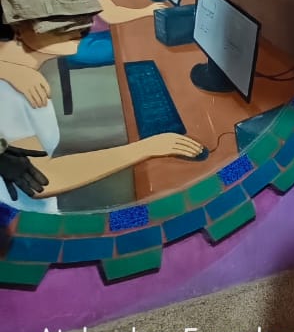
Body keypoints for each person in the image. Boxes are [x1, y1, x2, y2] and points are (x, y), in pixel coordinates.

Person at [0, 22, 203, 212]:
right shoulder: (9, 93)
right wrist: (147, 148)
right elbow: (42, 181)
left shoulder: (22, 81)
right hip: (27, 220)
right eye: (60, 19)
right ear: (19, 27)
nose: (82, 28)